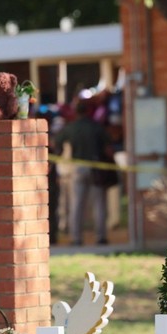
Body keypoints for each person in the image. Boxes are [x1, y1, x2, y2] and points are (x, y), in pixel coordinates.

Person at [54, 98, 110, 246]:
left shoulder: (70, 128)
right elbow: (108, 148)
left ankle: (76, 238)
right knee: (99, 204)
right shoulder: (96, 127)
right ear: (88, 110)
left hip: (77, 167)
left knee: (76, 204)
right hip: (96, 167)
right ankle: (101, 237)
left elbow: (57, 144)